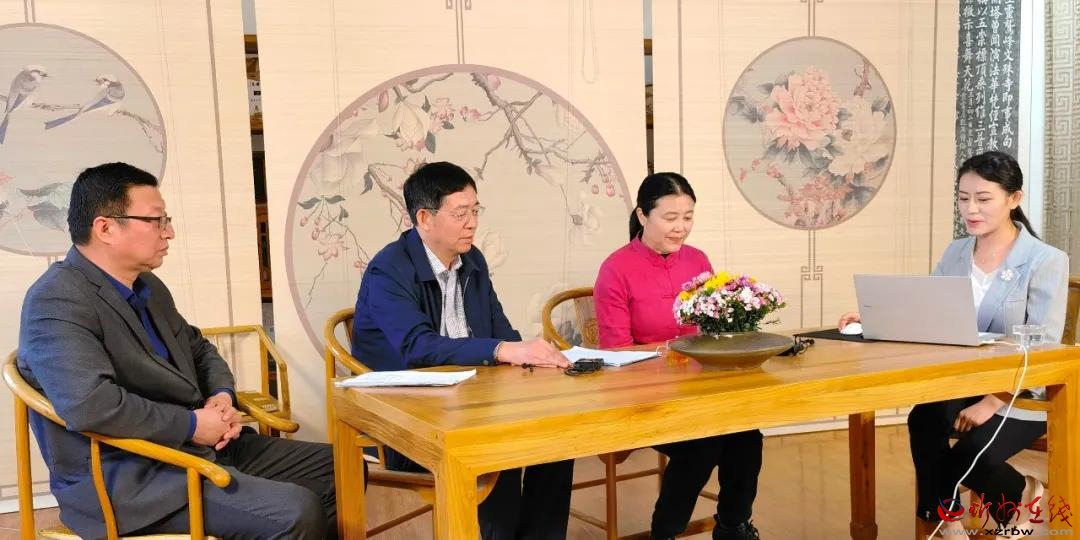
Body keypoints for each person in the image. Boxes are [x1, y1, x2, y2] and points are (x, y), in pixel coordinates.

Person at [18, 162, 338, 539]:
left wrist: (221, 397)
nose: (169, 232)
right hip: (133, 477)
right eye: (156, 220)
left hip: (195, 448)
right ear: (105, 228)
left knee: (339, 466)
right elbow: (91, 405)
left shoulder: (147, 286)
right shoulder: (56, 299)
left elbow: (199, 349)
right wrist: (192, 425)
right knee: (296, 511)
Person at [839, 151, 1069, 539]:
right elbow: (930, 313)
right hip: (963, 383)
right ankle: (948, 520)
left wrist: (992, 401)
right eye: (963, 198)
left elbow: (1043, 345)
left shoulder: (1045, 260)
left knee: (970, 456)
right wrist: (874, 316)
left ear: (1014, 199)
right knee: (923, 419)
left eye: (983, 199)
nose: (971, 209)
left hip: (1020, 392)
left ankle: (1021, 493)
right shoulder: (956, 252)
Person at [351, 161, 574, 539]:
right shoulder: (388, 269)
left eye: (475, 211)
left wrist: (530, 355)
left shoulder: (473, 260)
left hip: (473, 398)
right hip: (409, 414)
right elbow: (417, 347)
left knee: (557, 437)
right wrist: (503, 350)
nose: (472, 223)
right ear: (424, 218)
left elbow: (501, 331)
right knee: (499, 444)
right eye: (460, 214)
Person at [593, 172, 762, 540]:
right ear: (642, 215)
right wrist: (670, 359)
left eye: (688, 217)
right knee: (702, 444)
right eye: (670, 218)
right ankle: (664, 532)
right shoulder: (616, 269)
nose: (681, 227)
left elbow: (713, 332)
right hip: (643, 396)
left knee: (747, 435)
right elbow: (616, 353)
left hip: (699, 391)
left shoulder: (697, 260)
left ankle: (733, 526)